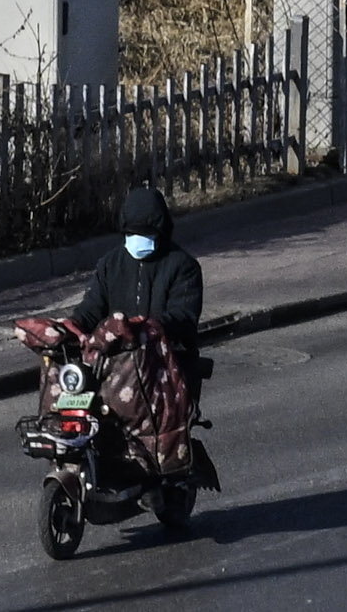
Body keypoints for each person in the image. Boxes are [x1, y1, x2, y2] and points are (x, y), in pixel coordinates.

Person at [62, 183, 208, 479]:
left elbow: (183, 316)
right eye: (132, 233)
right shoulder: (111, 264)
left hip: (164, 366)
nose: (138, 240)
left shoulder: (182, 266)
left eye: (146, 233)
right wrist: (71, 328)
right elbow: (90, 309)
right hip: (115, 366)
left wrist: (146, 328)